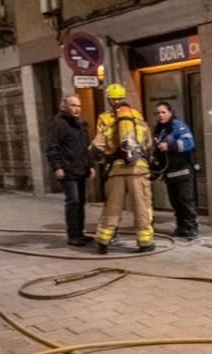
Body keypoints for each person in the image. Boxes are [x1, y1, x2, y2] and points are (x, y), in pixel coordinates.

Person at [91, 83, 155, 254]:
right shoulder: (137, 116)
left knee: (112, 207)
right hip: (139, 170)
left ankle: (103, 241)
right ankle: (145, 243)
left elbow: (97, 146)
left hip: (117, 170)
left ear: (109, 100)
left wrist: (105, 158)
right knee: (142, 207)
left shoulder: (105, 118)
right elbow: (148, 142)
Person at [46, 94, 95, 247]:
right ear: (65, 107)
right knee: (73, 202)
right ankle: (73, 236)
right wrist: (57, 167)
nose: (77, 109)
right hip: (67, 170)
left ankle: (80, 233)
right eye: (73, 106)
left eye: (79, 106)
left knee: (80, 202)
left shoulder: (80, 125)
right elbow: (52, 148)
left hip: (80, 169)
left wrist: (91, 165)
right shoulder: (59, 124)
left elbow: (86, 148)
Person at [153, 102, 199, 239]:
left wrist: (170, 145)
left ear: (170, 112)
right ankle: (181, 227)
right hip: (170, 172)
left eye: (163, 112)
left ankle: (192, 228)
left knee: (186, 201)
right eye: (158, 113)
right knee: (175, 203)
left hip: (183, 170)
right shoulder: (158, 129)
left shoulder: (178, 126)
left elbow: (189, 143)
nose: (161, 115)